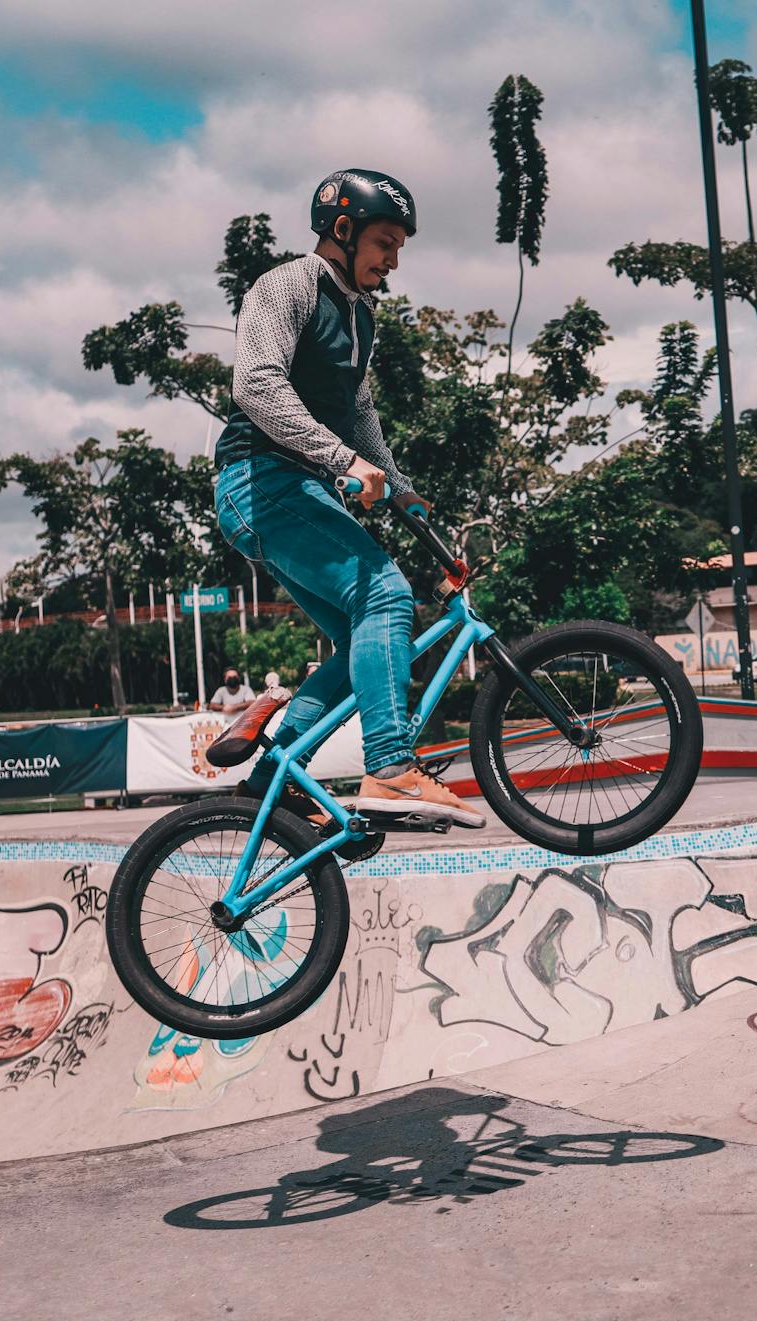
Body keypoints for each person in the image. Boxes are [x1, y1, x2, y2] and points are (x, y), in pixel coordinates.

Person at [212, 168, 483, 828]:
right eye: (384, 243)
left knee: (369, 636)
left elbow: (358, 415)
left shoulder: (361, 315)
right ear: (343, 231)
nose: (392, 261)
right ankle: (390, 769)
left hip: (295, 486)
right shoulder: (286, 287)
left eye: (398, 249)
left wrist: (403, 493)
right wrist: (342, 461)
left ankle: (272, 779)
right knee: (386, 595)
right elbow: (255, 385)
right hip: (258, 478)